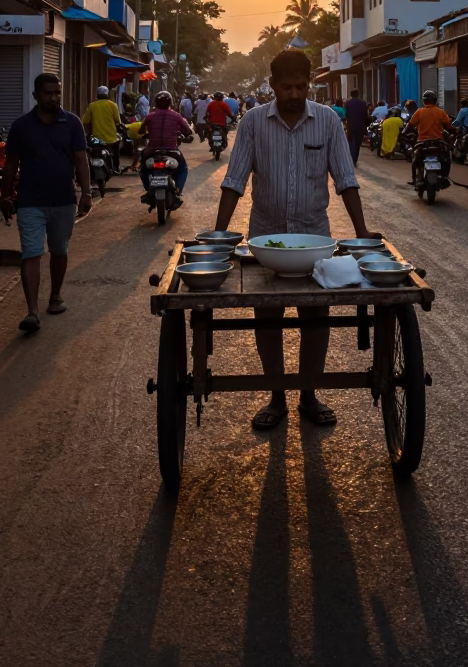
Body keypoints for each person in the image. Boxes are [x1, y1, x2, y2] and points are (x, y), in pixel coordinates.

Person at [215, 49, 380, 431]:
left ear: (310, 85)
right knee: (267, 318)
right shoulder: (254, 122)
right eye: (286, 87)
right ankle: (276, 396)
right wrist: (221, 234)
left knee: (315, 317)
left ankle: (308, 394)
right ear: (272, 86)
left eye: (300, 87)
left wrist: (361, 231)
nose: (293, 94)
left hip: (314, 239)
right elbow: (234, 180)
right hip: (266, 238)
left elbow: (346, 180)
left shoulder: (326, 121)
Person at [0, 73, 91, 333]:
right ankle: (32, 311)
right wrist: (6, 197)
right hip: (30, 201)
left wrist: (86, 193)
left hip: (64, 200)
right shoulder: (21, 126)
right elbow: (11, 165)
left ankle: (55, 296)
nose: (53, 97)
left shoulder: (71, 123)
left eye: (57, 93)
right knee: (31, 253)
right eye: (48, 93)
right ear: (36, 96)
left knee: (59, 250)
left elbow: (81, 159)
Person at [139, 90, 194, 208]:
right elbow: (188, 131)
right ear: (171, 102)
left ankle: (148, 189)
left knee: (143, 168)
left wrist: (147, 133)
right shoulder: (176, 116)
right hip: (172, 150)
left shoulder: (150, 116)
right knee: (183, 168)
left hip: (152, 150)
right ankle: (178, 190)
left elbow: (141, 130)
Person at [82, 85, 122, 173]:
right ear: (107, 95)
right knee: (115, 153)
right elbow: (118, 121)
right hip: (111, 138)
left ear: (97, 95)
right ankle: (116, 167)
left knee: (90, 152)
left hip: (97, 138)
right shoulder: (113, 105)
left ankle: (89, 170)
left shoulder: (92, 105)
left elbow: (85, 120)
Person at [344, 88, 369, 165]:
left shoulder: (347, 103)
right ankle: (355, 159)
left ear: (351, 95)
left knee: (351, 142)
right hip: (360, 126)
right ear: (358, 94)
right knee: (358, 143)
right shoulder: (363, 103)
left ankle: (352, 158)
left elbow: (345, 114)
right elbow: (365, 115)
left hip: (351, 125)